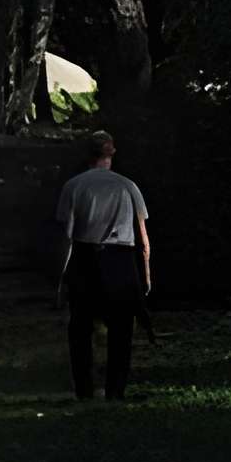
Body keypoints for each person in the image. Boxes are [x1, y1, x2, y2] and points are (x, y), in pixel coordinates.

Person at [54, 131, 151, 401]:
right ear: (112, 153)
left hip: (85, 257)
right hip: (120, 258)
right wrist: (145, 274)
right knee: (121, 328)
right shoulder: (127, 186)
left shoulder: (74, 186)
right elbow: (143, 238)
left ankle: (84, 389)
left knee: (81, 329)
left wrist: (61, 277)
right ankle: (115, 389)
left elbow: (67, 238)